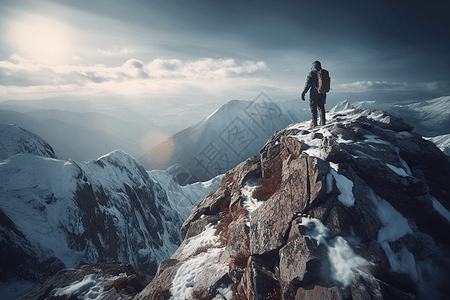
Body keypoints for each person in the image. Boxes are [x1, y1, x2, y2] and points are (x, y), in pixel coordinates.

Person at [301, 60, 326, 128]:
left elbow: (307, 84)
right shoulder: (323, 73)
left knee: (313, 108)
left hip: (314, 94)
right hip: (322, 93)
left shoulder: (311, 74)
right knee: (321, 107)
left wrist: (303, 93)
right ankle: (323, 122)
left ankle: (314, 123)